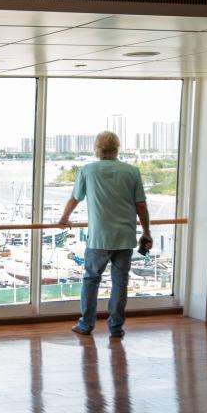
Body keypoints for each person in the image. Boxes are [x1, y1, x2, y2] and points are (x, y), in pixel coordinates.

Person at [58, 131, 151, 338]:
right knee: (120, 282)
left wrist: (64, 217)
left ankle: (86, 325)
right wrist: (146, 231)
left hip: (99, 237)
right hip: (125, 237)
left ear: (97, 149)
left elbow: (75, 198)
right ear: (117, 148)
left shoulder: (88, 171)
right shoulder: (132, 172)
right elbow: (141, 206)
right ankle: (116, 327)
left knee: (91, 280)